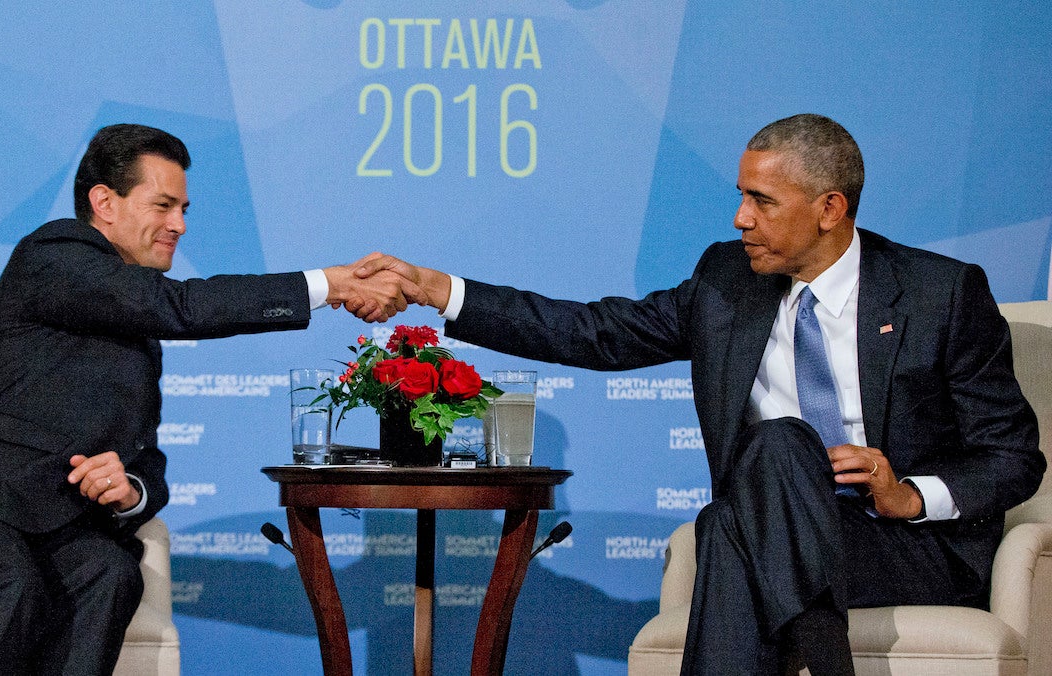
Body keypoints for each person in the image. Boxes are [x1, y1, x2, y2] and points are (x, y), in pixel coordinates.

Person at [356, 114, 1047, 675]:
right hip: (770, 530)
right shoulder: (727, 280)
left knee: (744, 500)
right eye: (742, 196)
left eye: (762, 201)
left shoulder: (939, 293)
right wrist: (439, 290)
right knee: (756, 483)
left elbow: (1013, 457)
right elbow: (594, 332)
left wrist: (911, 493)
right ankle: (821, 652)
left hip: (899, 547)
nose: (741, 218)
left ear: (830, 208)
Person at [0, 123, 415, 675]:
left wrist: (126, 490)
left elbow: (147, 465)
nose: (178, 225)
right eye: (163, 205)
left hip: (56, 528)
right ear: (104, 202)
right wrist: (328, 285)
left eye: (184, 208)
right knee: (10, 581)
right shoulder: (54, 254)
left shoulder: (137, 335)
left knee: (110, 572)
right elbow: (179, 305)